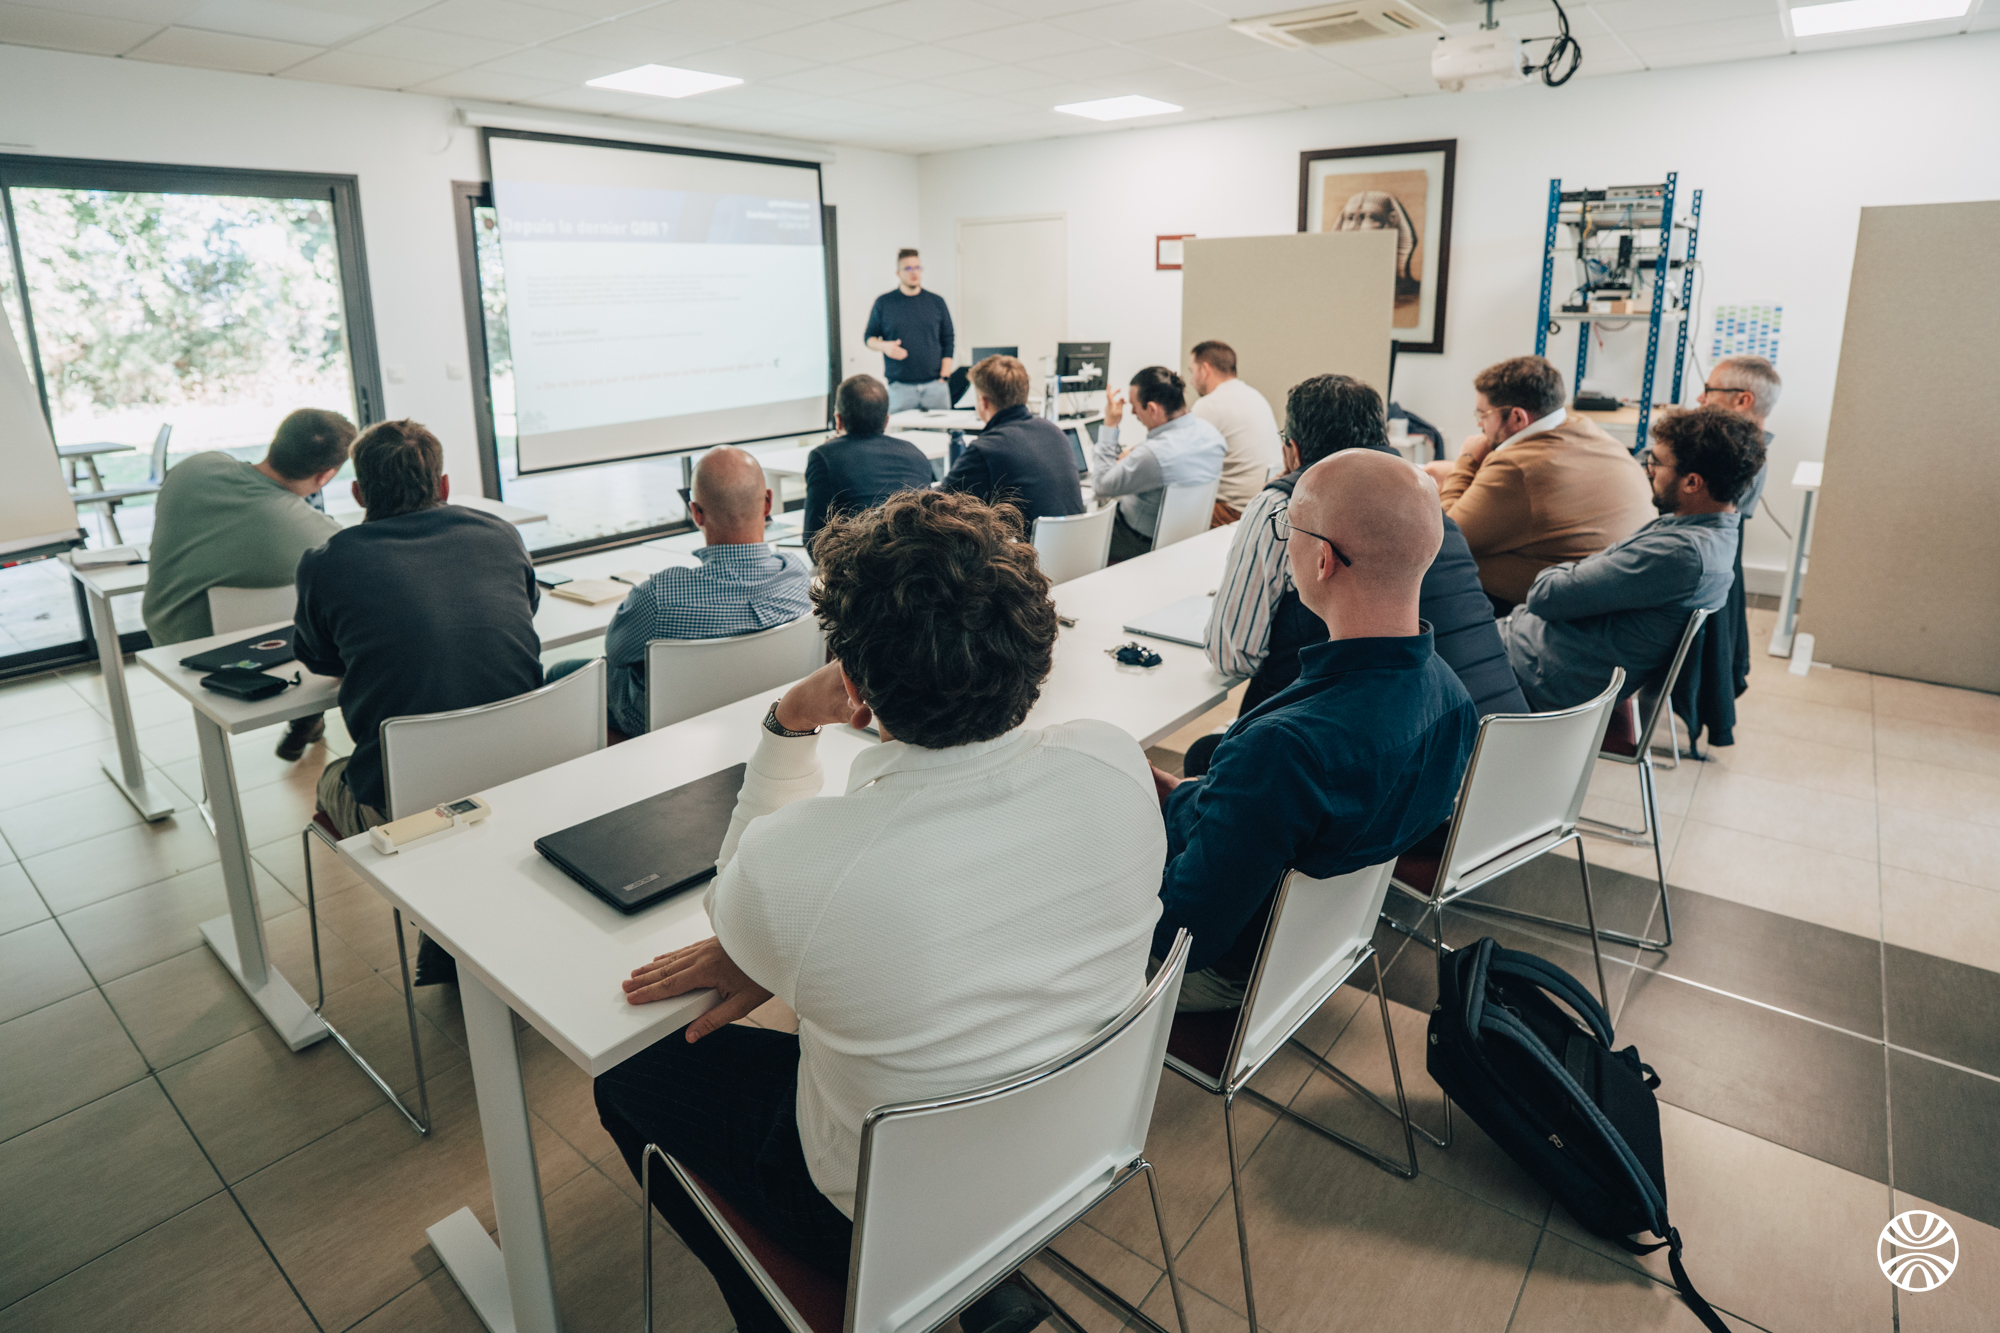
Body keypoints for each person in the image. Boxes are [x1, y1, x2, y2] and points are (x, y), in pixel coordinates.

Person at [595, 490, 1164, 1333]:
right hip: (1075, 1148)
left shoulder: (805, 867)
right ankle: (978, 1285)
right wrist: (780, 945)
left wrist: (788, 722)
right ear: (1035, 645)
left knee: (626, 1074)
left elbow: (736, 905)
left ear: (854, 686)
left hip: (873, 1207)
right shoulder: (1115, 762)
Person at [1153, 450, 1478, 1008]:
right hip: (1316, 946)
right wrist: (1192, 797)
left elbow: (1185, 935)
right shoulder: (1450, 694)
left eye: (1289, 527)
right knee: (1204, 755)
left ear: (1323, 559)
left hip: (1232, 972)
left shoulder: (1283, 750)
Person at [1206, 374, 1526, 738]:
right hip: (1500, 742)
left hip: (1399, 752)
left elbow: (1231, 655)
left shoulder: (1289, 508)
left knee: (1212, 751)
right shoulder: (1423, 502)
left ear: (1293, 449)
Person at [294, 420, 542, 838]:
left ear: (358, 493)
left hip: (407, 804)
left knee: (331, 776)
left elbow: (321, 659)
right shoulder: (501, 533)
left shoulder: (327, 562)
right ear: (443, 487)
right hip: (524, 769)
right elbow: (527, 608)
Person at [1499, 406, 1766, 712]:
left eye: (1656, 462)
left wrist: (1579, 563)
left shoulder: (1678, 553)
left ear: (1692, 483)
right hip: (1538, 656)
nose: (1648, 469)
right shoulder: (1710, 533)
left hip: (1532, 677)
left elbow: (1545, 595)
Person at [550, 448, 812, 737]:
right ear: (768, 503)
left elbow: (616, 651)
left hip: (661, 724)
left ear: (696, 513)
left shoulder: (658, 597)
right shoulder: (797, 574)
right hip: (764, 713)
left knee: (560, 672)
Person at [141, 408, 354, 760]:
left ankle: (308, 721)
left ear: (276, 441)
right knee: (338, 613)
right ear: (325, 476)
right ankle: (315, 718)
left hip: (169, 631)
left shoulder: (194, 469)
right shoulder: (318, 534)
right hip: (246, 650)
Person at [1430, 356, 1654, 612]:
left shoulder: (1517, 467)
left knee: (1432, 567)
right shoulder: (1588, 430)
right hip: (1617, 595)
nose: (1479, 424)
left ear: (1517, 418)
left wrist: (1466, 460)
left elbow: (1447, 534)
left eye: (1483, 414)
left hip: (1559, 611)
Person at [1093, 366, 1226, 564]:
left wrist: (1110, 424)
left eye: (1135, 406)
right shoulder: (1212, 435)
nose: (1132, 412)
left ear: (1153, 409)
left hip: (1137, 542)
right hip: (1187, 539)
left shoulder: (1152, 455)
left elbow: (1101, 485)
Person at [938, 354, 1086, 532]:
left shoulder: (986, 449)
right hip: (1077, 550)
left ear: (983, 402)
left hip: (1030, 557)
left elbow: (938, 504)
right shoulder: (1054, 431)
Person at [802, 375, 933, 544]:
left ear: (838, 420)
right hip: (919, 561)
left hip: (859, 563)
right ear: (886, 421)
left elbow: (813, 540)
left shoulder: (824, 457)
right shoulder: (915, 453)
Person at [1187, 340, 1282, 526]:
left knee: (1163, 510)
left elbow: (1181, 459)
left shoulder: (1209, 404)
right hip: (1269, 503)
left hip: (1236, 511)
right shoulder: (1255, 396)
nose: (1191, 381)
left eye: (1192, 371)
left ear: (1205, 369)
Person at [864, 248, 954, 414]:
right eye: (908, 268)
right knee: (901, 438)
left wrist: (945, 375)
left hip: (935, 385)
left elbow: (948, 339)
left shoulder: (936, 302)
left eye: (918, 268)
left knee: (940, 437)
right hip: (900, 387)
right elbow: (869, 337)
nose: (914, 273)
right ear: (898, 273)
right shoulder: (884, 303)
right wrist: (885, 346)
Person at [1699, 354, 1781, 518]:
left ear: (1743, 401)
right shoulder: (1748, 455)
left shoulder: (1723, 458)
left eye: (1709, 390)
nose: (1700, 398)